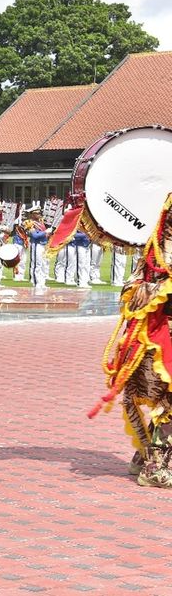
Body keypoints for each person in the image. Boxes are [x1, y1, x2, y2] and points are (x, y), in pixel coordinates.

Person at [92, 193, 172, 488]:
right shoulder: (156, 254)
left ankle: (148, 456)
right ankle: (154, 465)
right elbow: (133, 289)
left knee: (166, 402)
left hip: (156, 338)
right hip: (157, 338)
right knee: (167, 401)